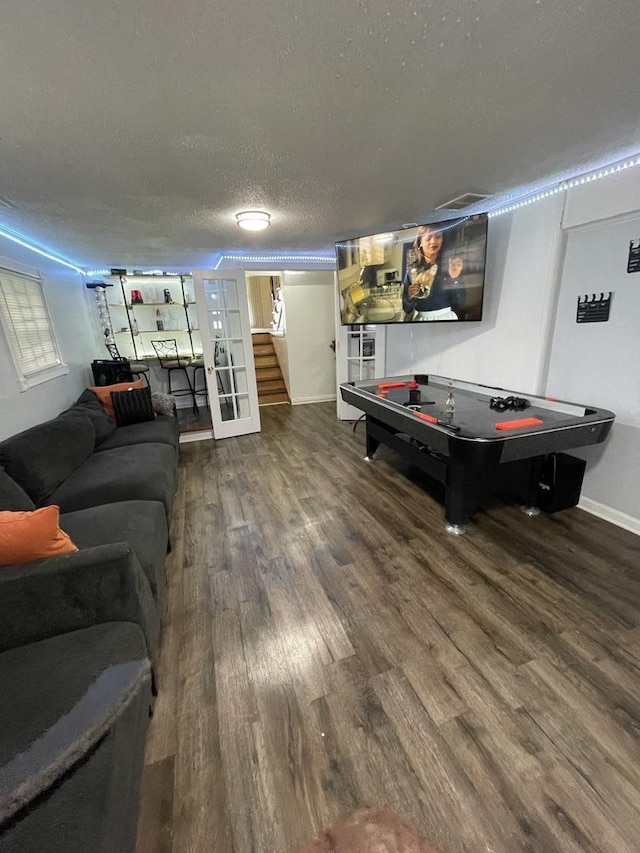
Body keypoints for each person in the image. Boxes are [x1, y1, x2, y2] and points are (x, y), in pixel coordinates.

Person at [402, 224, 465, 321]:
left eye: (438, 236)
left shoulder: (450, 266)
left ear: (442, 240)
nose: (433, 241)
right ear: (420, 242)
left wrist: (455, 279)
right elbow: (407, 308)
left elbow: (461, 302)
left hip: (447, 318)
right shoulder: (412, 271)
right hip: (421, 319)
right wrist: (409, 296)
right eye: (428, 238)